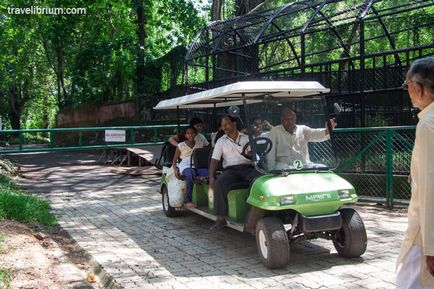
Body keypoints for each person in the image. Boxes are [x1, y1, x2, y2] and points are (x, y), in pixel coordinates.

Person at [396, 57, 434, 289]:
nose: (408, 91)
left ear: (417, 88)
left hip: (425, 232)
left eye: (408, 85)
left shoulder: (428, 124)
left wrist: (431, 246)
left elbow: (431, 186)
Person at [208, 115, 260, 230]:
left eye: (226, 124)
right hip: (230, 170)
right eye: (222, 126)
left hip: (247, 168)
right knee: (220, 182)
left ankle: (256, 213)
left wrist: (251, 156)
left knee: (259, 180)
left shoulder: (247, 138)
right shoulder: (221, 142)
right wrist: (211, 177)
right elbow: (214, 160)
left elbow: (254, 155)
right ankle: (220, 219)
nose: (224, 128)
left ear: (234, 123)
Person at [266, 107, 336, 170]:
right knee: (284, 168)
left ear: (295, 119)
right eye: (286, 119)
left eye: (291, 119)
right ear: (282, 119)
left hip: (304, 166)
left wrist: (328, 130)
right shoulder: (275, 131)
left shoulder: (303, 129)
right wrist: (271, 171)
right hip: (284, 166)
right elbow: (270, 153)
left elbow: (315, 134)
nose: (289, 121)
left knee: (323, 168)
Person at [172, 126, 208, 208]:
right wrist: (175, 170)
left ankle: (210, 199)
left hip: (198, 165)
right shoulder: (181, 145)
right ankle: (187, 200)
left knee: (207, 173)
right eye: (188, 133)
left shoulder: (199, 144)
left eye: (192, 133)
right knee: (190, 174)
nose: (190, 135)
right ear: (185, 135)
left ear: (196, 134)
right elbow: (174, 160)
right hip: (185, 166)